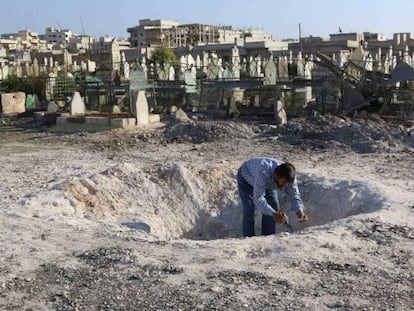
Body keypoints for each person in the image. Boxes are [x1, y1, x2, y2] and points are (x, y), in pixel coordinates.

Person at [237, 157, 307, 237]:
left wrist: (299, 210)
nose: (285, 186)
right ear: (276, 176)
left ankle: (268, 236)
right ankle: (248, 238)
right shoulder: (263, 172)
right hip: (247, 179)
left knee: (273, 205)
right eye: (283, 182)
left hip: (267, 184)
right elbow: (258, 199)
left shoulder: (289, 177)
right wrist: (273, 214)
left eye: (287, 183)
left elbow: (294, 194)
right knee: (249, 209)